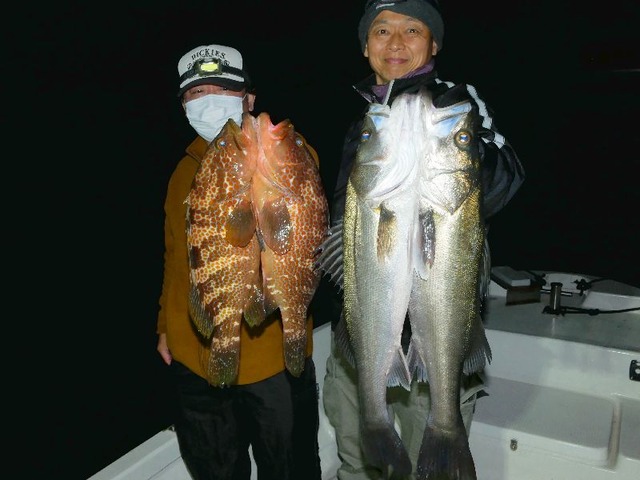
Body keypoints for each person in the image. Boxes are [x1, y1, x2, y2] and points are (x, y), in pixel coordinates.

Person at [322, 1, 526, 479]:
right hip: (361, 324)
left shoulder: (456, 103)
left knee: (428, 469)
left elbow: (505, 180)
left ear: (433, 45)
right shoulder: (365, 120)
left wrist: (460, 150)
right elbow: (343, 221)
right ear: (365, 47)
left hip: (435, 333)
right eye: (382, 31)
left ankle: (444, 426)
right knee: (357, 463)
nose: (396, 42)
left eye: (412, 30)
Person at [156, 43, 322, 480]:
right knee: (215, 469)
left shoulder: (286, 155)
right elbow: (176, 257)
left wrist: (265, 155)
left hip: (272, 357)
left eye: (223, 89)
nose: (208, 100)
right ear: (183, 106)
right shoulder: (182, 172)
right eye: (196, 92)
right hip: (193, 353)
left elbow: (300, 226)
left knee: (289, 468)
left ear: (248, 99)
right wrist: (165, 325)